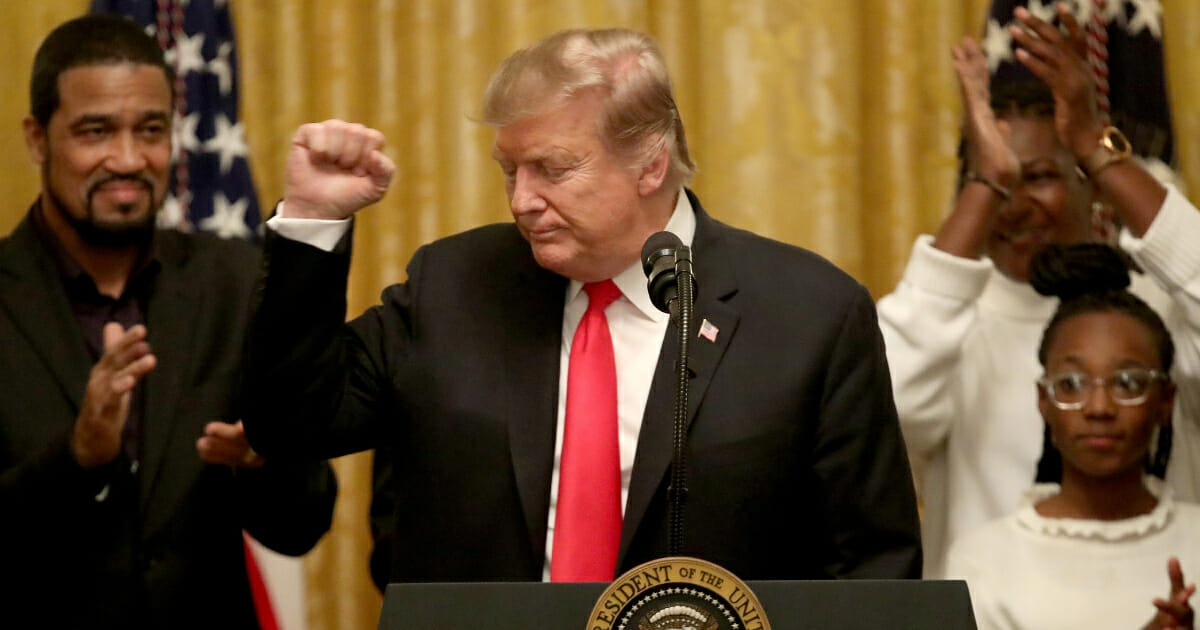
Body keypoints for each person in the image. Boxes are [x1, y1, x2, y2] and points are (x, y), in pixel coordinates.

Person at [243, 27, 922, 584]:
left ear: (651, 164)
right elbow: (291, 423)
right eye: (510, 171)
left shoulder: (810, 315)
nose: (520, 201)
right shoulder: (453, 284)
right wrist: (311, 220)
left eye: (552, 169)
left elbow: (874, 567)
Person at [0, 15, 336, 629]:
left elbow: (303, 525)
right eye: (95, 131)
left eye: (151, 130)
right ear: (36, 138)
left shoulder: (237, 283)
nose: (128, 159)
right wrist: (77, 459)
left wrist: (262, 461)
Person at [877, 4, 1200, 577]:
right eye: (999, 180)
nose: (1015, 205)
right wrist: (985, 184)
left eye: (1041, 177)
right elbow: (880, 404)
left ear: (1088, 185)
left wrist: (1094, 144)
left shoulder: (1155, 311)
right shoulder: (949, 325)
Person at [944, 243, 1198, 630]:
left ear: (1165, 401)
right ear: (1043, 401)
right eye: (1072, 383)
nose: (1099, 407)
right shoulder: (981, 561)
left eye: (1128, 382)